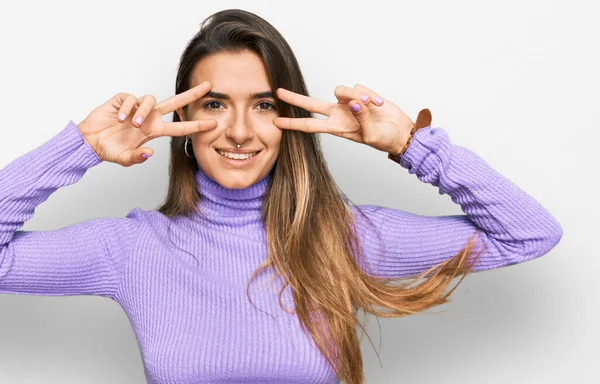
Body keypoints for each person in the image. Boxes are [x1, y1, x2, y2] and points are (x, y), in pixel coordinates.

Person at [0, 8, 562, 384]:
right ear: (183, 120)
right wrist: (82, 146)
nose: (240, 131)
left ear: (290, 118)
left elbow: (528, 234)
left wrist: (411, 145)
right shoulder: (132, 248)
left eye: (264, 104)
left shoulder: (345, 238)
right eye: (215, 104)